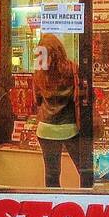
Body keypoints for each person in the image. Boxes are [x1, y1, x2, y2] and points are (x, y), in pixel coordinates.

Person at [32, 33, 88, 189]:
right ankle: (85, 201)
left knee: (51, 174)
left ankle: (54, 202)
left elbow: (37, 100)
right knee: (84, 169)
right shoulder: (72, 68)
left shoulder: (39, 72)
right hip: (69, 127)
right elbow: (81, 96)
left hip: (45, 129)